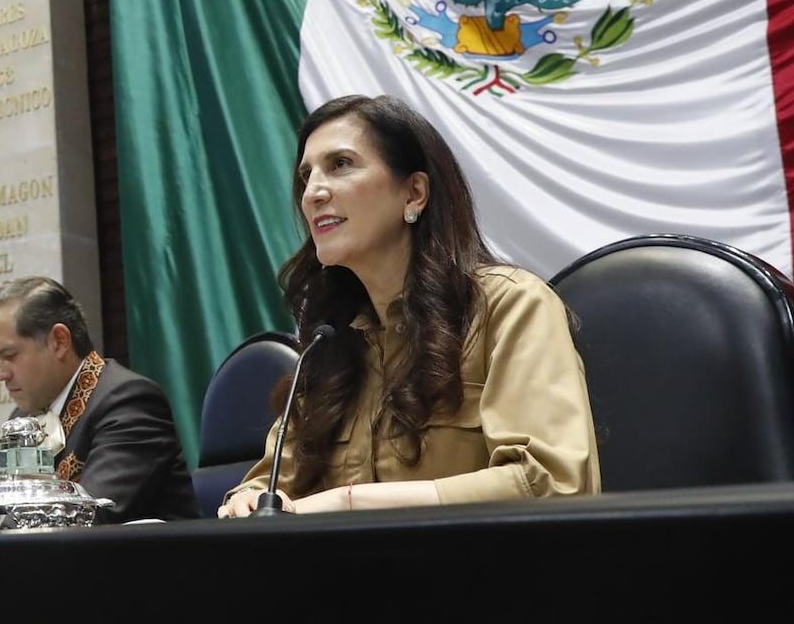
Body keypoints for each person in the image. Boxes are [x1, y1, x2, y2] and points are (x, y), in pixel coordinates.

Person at [219, 94, 600, 518]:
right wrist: (246, 500)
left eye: (340, 164)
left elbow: (551, 483)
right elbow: (268, 486)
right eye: (306, 176)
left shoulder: (511, 306)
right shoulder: (329, 340)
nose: (313, 193)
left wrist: (349, 502)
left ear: (414, 193)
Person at [0, 276, 200, 523]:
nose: (0, 374)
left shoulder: (128, 402)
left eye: (10, 355)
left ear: (59, 341)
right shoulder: (22, 418)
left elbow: (86, 516)